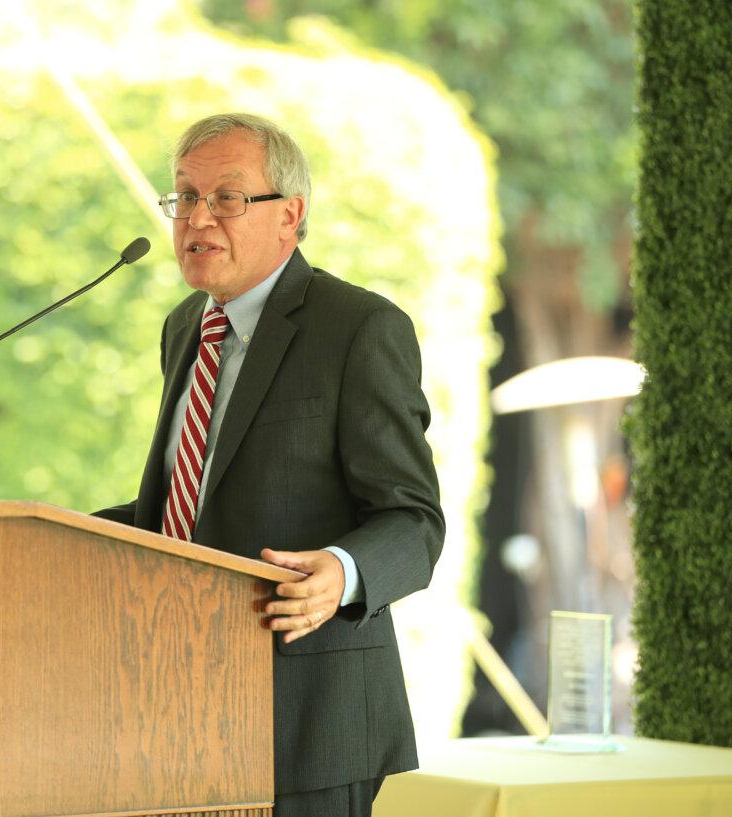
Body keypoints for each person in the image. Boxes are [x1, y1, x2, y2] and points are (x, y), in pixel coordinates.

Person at [95, 112, 445, 817]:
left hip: (308, 722)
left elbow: (414, 518)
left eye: (226, 197)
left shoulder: (359, 328)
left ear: (291, 215)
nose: (197, 218)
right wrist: (42, 533)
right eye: (184, 196)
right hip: (178, 706)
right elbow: (184, 512)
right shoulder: (186, 326)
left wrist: (342, 571)